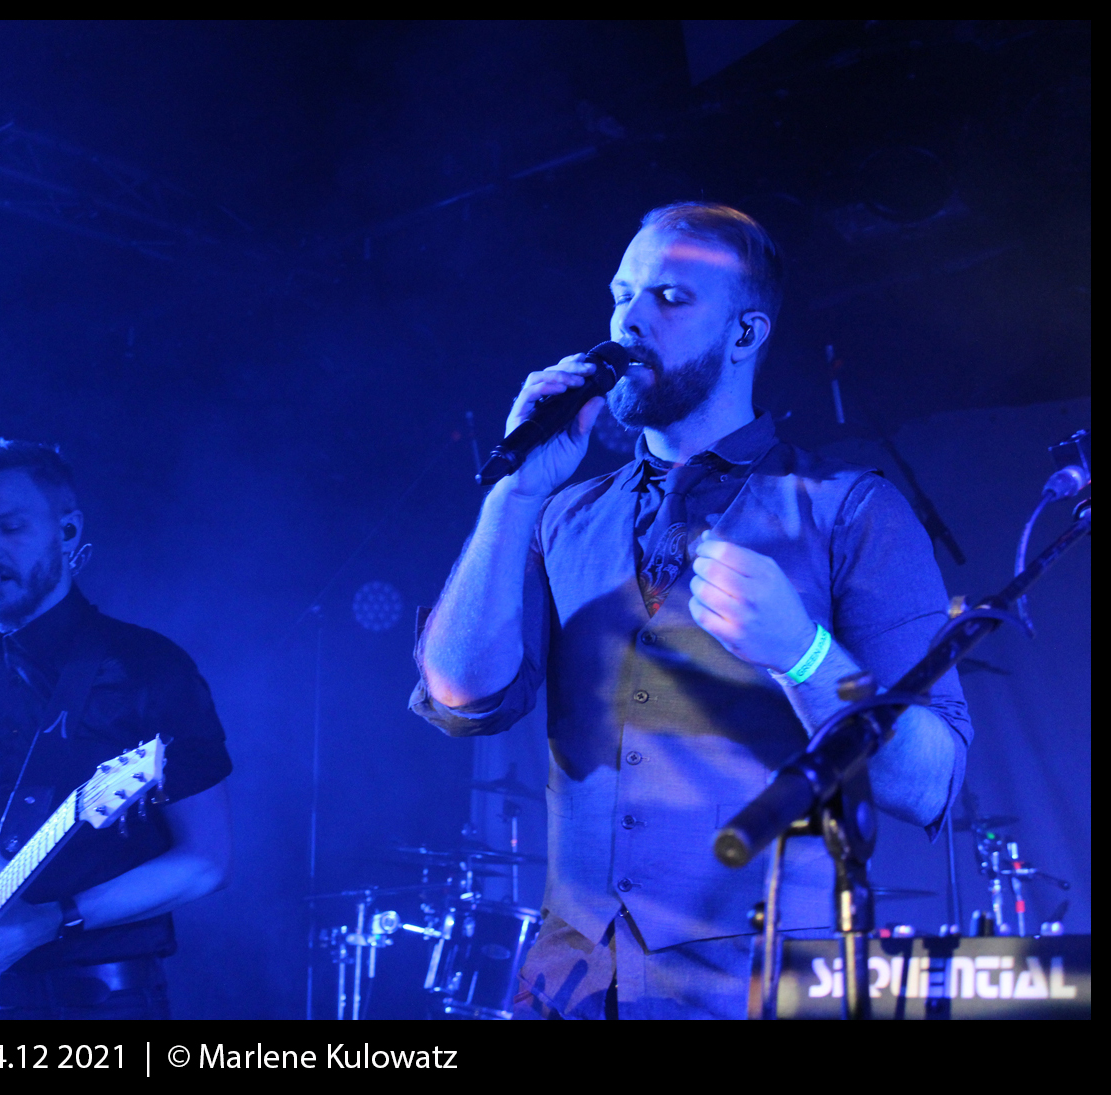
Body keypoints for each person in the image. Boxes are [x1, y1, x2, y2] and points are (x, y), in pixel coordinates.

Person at [411, 202, 971, 1019]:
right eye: (621, 294)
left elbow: (930, 780)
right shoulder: (561, 515)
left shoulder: (850, 510)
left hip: (758, 988)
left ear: (744, 334)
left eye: (670, 298)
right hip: (570, 986)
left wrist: (805, 652)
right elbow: (461, 696)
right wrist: (515, 492)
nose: (629, 320)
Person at [0, 438, 233, 1020]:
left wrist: (53, 920)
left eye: (9, 527)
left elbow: (207, 860)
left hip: (105, 1003)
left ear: (67, 531)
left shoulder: (150, 668)